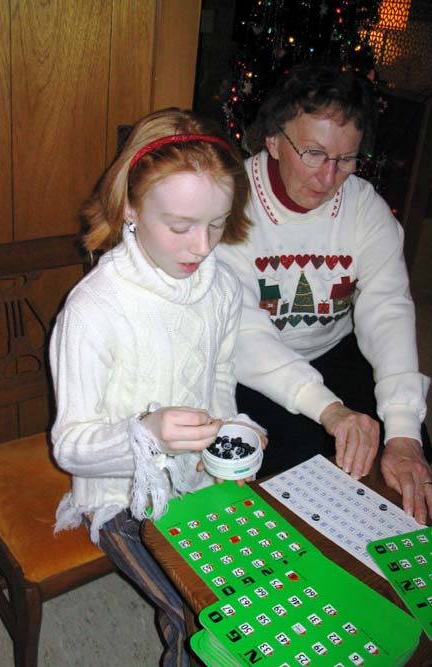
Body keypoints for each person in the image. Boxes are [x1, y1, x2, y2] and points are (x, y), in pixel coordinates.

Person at [49, 107, 266, 666]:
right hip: (119, 493)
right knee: (196, 612)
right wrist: (146, 434)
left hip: (197, 476)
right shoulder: (94, 308)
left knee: (260, 583)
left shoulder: (217, 287)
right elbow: (69, 446)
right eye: (180, 226)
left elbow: (218, 379)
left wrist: (232, 429)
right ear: (129, 207)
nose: (202, 247)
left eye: (216, 225)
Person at [216, 60, 432, 524]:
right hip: (248, 369)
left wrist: (403, 433)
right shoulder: (229, 204)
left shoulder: (365, 208)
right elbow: (242, 332)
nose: (330, 176)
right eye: (313, 153)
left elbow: (387, 312)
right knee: (286, 492)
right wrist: (329, 410)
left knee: (407, 463)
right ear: (273, 140)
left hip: (333, 352)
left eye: (346, 159)